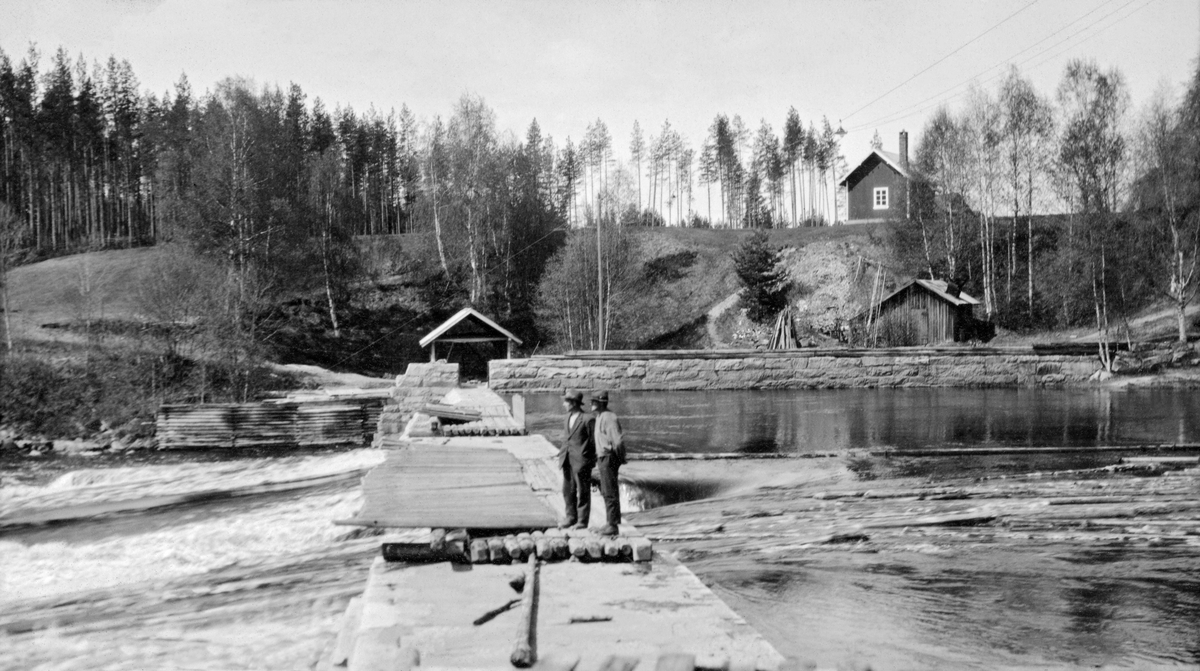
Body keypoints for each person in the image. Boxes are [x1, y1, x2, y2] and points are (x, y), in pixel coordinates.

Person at [558, 389, 595, 529]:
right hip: (566, 458)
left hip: (581, 461)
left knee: (583, 491)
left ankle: (582, 521)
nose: (564, 404)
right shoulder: (567, 417)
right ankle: (570, 517)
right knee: (567, 490)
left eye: (566, 402)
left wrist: (590, 461)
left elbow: (594, 442)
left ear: (573, 403)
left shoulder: (588, 419)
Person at [591, 390, 625, 536]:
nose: (591, 404)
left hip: (609, 457)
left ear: (600, 403)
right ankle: (610, 522)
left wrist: (620, 457)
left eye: (594, 401)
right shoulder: (600, 416)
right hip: (602, 457)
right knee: (606, 490)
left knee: (610, 491)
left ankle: (613, 525)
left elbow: (617, 441)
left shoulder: (609, 417)